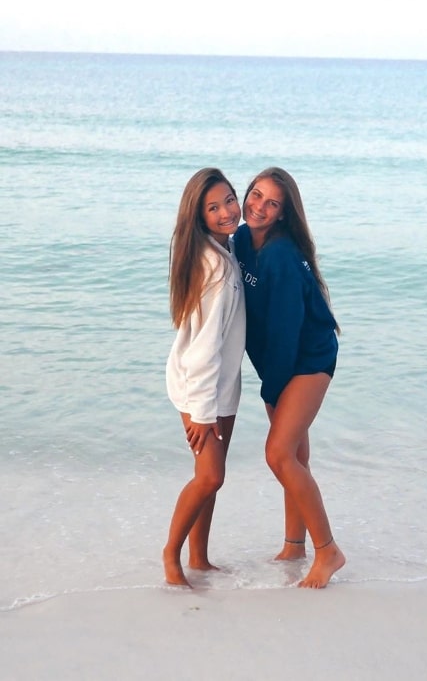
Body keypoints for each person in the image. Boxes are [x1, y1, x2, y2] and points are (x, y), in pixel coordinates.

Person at [233, 167, 345, 588]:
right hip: (279, 361)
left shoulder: (279, 255)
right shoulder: (243, 239)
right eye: (256, 195)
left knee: (279, 455)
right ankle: (294, 545)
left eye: (271, 202)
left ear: (283, 213)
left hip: (308, 358)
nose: (259, 206)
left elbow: (285, 329)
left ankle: (328, 551)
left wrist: (272, 387)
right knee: (295, 458)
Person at [163, 168, 245, 588]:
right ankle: (171, 556)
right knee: (210, 476)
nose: (226, 211)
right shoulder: (214, 265)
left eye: (229, 200)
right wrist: (202, 411)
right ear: (199, 216)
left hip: (220, 386)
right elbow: (204, 346)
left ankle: (200, 557)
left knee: (212, 475)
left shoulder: (224, 252)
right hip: (201, 389)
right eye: (213, 207)